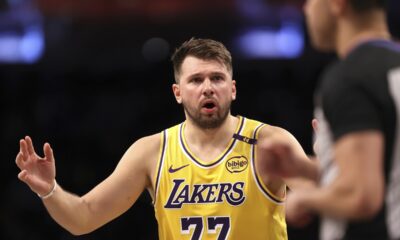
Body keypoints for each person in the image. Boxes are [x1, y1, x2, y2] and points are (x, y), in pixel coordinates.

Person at [15, 38, 312, 239]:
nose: (208, 88)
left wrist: (331, 158)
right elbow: (84, 217)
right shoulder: (152, 151)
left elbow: (333, 197)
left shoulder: (270, 142)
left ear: (232, 89)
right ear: (178, 93)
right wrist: (50, 191)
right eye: (196, 80)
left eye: (217, 78)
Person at [262, 0, 400, 239]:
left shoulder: (350, 77)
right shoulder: (390, 68)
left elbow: (361, 195)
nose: (306, 9)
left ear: (337, 4)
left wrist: (303, 200)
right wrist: (305, 168)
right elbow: (385, 170)